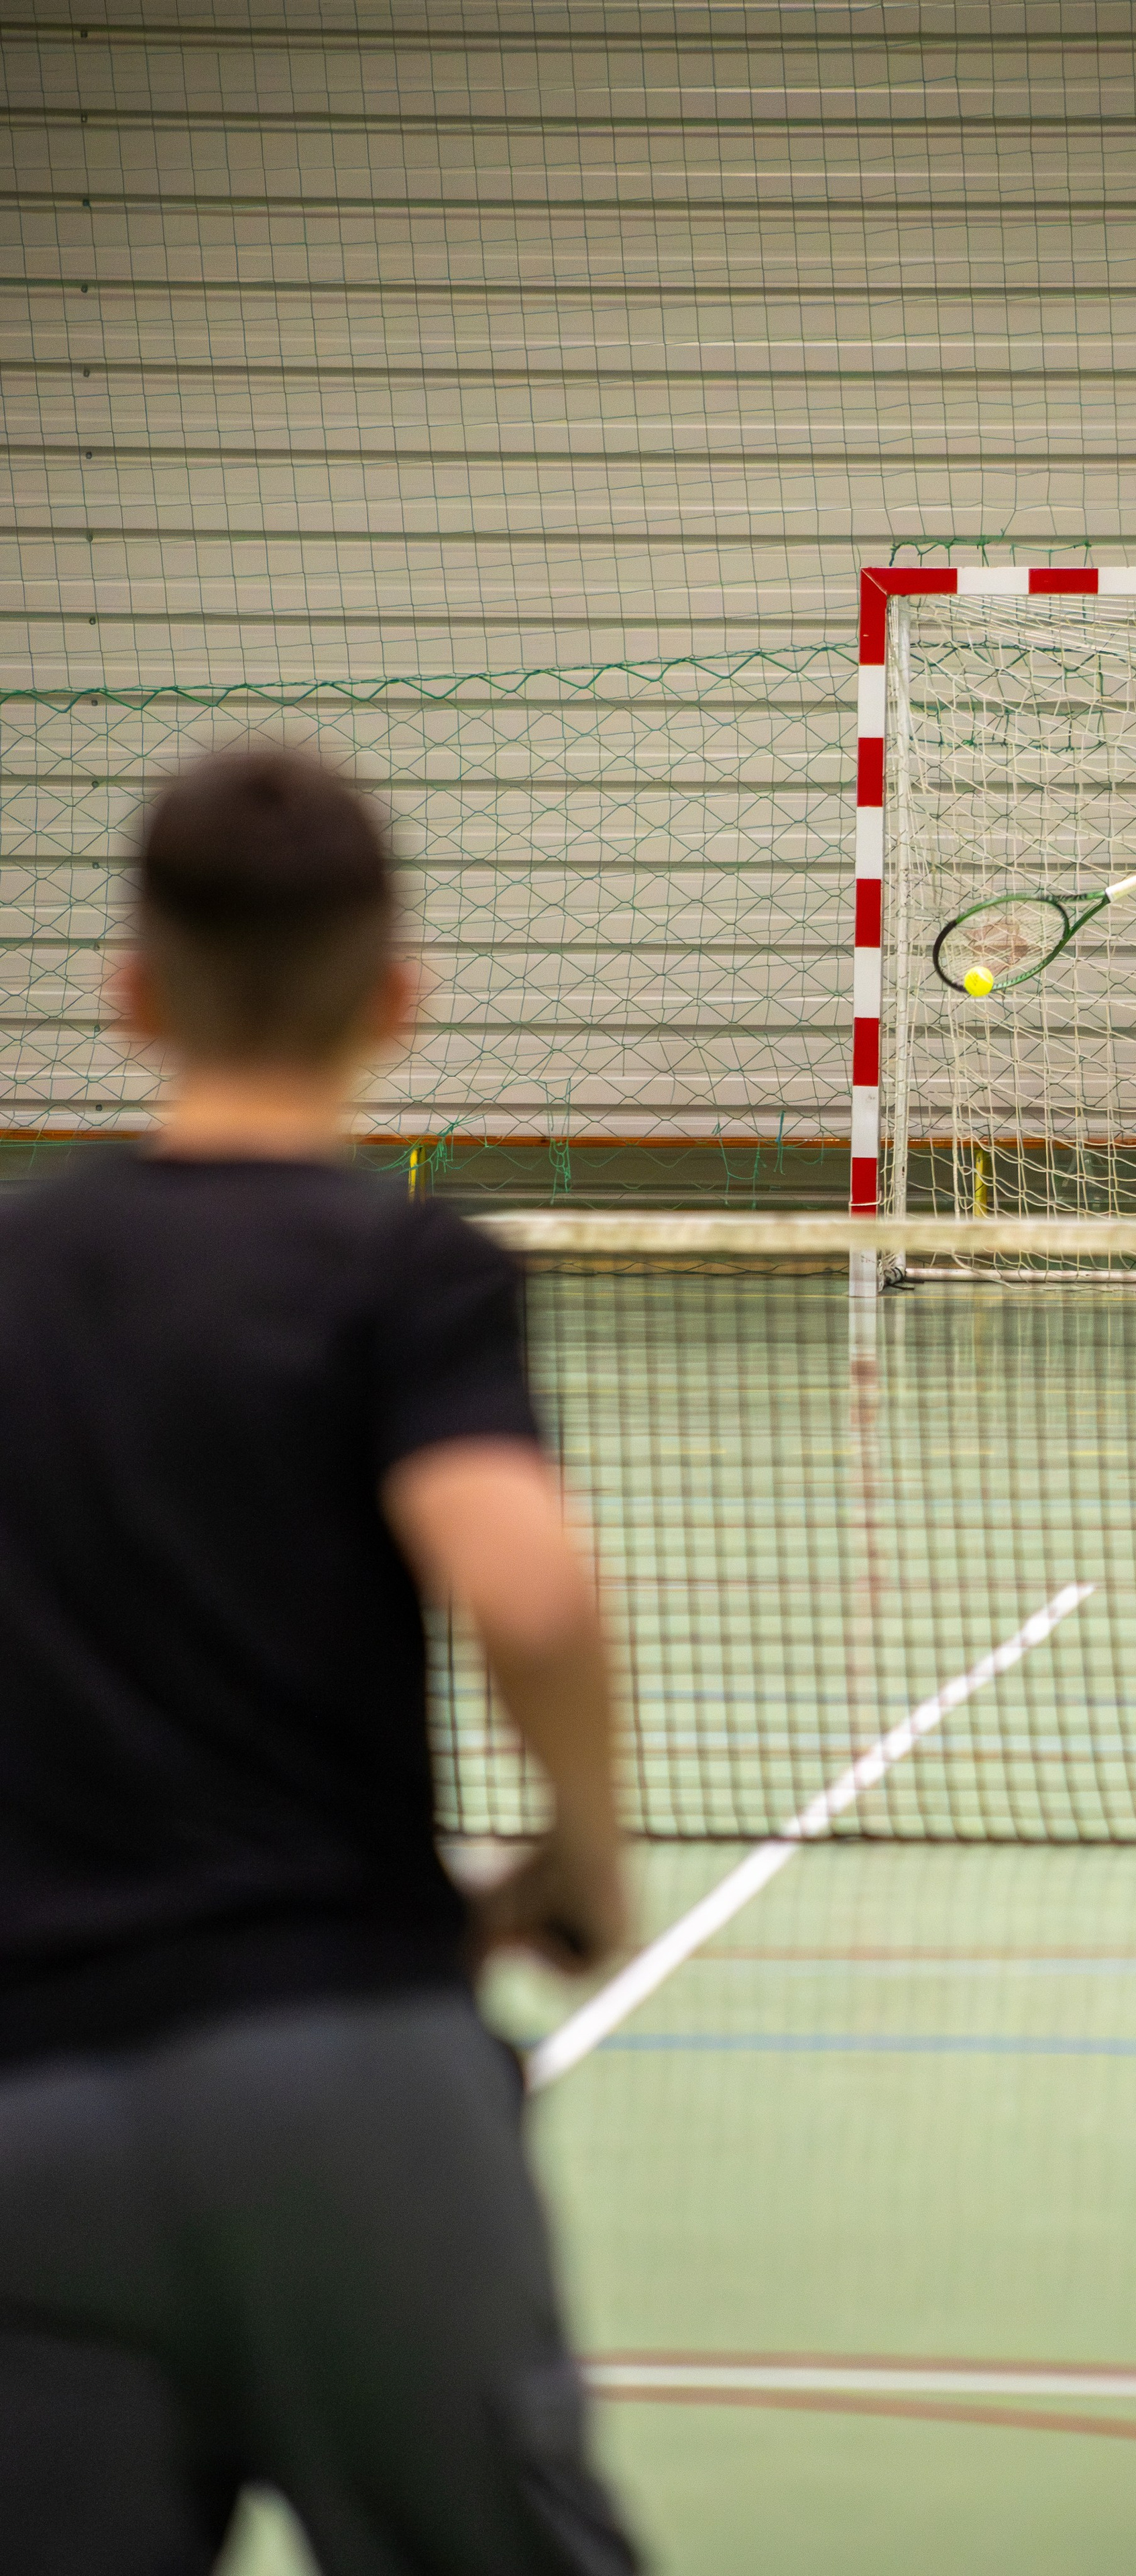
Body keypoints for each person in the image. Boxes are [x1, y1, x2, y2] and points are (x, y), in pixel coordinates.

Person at [0, 746, 642, 2575]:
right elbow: (526, 1593)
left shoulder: (14, 1274)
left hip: (29, 2096)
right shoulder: (405, 1271)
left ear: (128, 997)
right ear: (397, 1002)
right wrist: (584, 1859)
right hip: (346, 2080)